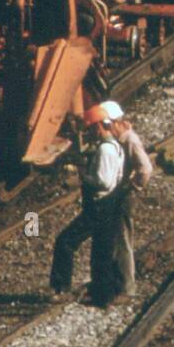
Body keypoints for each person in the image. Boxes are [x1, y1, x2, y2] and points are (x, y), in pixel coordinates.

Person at [50, 104, 127, 306]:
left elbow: (103, 181)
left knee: (65, 242)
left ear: (101, 125)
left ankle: (61, 287)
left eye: (93, 127)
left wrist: (82, 177)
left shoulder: (106, 151)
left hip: (99, 206)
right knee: (102, 250)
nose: (91, 132)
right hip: (109, 204)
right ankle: (105, 294)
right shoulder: (116, 147)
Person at [101, 100, 151, 299]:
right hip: (119, 195)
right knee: (117, 238)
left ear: (115, 122)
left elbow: (146, 168)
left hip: (125, 196)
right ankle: (117, 283)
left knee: (123, 241)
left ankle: (127, 288)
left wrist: (134, 186)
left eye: (107, 125)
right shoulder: (121, 139)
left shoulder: (129, 140)